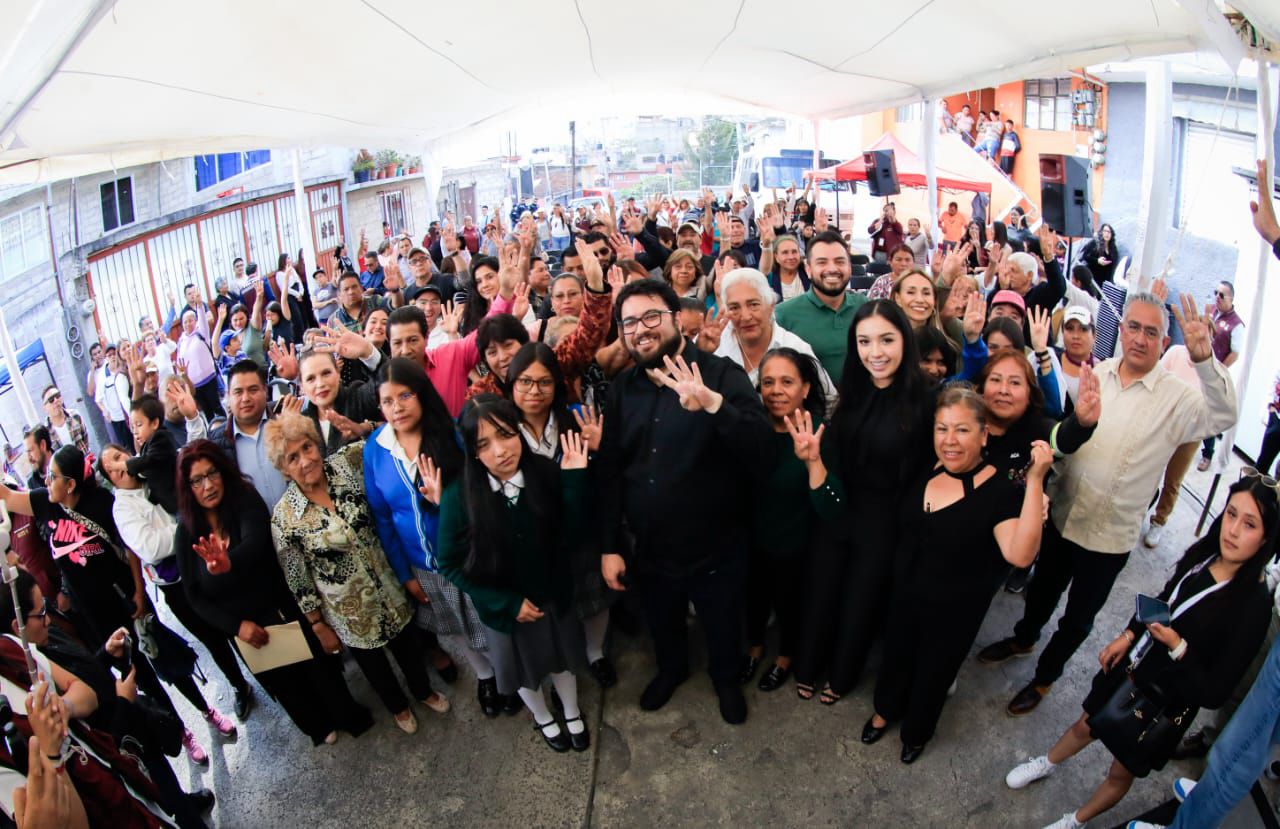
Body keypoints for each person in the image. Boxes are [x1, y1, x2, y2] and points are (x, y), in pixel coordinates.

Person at [977, 289, 1239, 716]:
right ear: (1120, 329)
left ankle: (1044, 678)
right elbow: (1070, 434)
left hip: (1109, 537)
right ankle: (1023, 639)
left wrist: (1206, 361)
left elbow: (1225, 415)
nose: (1139, 338)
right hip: (1065, 516)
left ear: (1163, 341)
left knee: (1078, 618)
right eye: (1133, 327)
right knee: (1040, 593)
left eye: (1151, 332)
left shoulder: (1179, 399)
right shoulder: (1097, 372)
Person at [1005, 473, 1275, 829]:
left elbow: (1214, 693)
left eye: (1250, 524)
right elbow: (1165, 599)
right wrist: (1129, 634)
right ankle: (1047, 763)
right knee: (1086, 723)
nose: (1233, 530)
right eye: (1231, 514)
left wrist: (1177, 646)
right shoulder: (1206, 554)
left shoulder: (1254, 605)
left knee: (1121, 770)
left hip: (1169, 701)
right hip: (1138, 663)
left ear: (1267, 537)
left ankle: (1075, 821)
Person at [596, 278, 772, 724]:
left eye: (651, 316)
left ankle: (725, 679)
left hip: (718, 544)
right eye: (629, 322)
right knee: (662, 620)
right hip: (650, 546)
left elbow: (760, 448)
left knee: (722, 622)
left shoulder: (721, 375)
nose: (640, 329)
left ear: (676, 319)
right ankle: (671, 670)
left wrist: (714, 406)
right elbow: (610, 470)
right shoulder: (622, 389)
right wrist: (609, 545)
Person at [862, 388, 1052, 763]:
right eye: (942, 428)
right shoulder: (925, 465)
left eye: (962, 430)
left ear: (984, 435)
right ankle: (885, 710)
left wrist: (1035, 482)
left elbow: (1020, 554)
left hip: (954, 610)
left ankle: (916, 733)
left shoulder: (1002, 490)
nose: (949, 440)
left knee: (934, 672)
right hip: (905, 594)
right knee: (896, 654)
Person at [174, 439, 373, 745]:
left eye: (212, 473)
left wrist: (228, 562)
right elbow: (194, 597)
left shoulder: (244, 498)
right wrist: (236, 627)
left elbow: (257, 545)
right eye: (197, 480)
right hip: (246, 630)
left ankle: (347, 716)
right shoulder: (185, 532)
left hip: (281, 608)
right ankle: (318, 728)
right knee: (285, 685)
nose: (208, 485)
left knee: (320, 671)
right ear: (187, 488)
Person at [265, 413, 449, 734]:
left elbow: (385, 438)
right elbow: (298, 579)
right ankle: (399, 708)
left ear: (317, 444)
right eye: (293, 458)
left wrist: (364, 427)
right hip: (350, 613)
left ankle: (423, 691)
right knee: (375, 667)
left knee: (409, 648)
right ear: (283, 469)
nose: (305, 460)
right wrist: (317, 624)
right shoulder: (284, 518)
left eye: (307, 447)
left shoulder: (348, 463)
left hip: (391, 588)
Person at [792, 300, 934, 705]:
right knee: (823, 590)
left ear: (904, 341)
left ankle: (843, 674)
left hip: (886, 519)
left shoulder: (925, 399)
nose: (876, 352)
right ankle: (809, 665)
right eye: (865, 341)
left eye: (886, 340)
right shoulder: (852, 390)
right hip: (839, 507)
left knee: (861, 600)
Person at [435, 397, 593, 752]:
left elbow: (574, 537)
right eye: (483, 444)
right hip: (504, 610)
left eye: (506, 434)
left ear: (519, 430)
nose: (500, 451)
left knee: (562, 661)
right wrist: (505, 603)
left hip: (552, 594)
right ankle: (543, 717)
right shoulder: (460, 496)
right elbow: (449, 563)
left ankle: (571, 710)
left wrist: (575, 480)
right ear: (473, 452)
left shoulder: (546, 472)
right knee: (523, 670)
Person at [363, 359, 504, 716]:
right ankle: (485, 676)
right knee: (454, 628)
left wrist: (446, 502)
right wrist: (405, 575)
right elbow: (383, 518)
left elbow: (481, 494)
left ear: (421, 394)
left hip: (467, 557)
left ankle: (507, 675)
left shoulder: (452, 434)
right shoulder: (375, 449)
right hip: (423, 566)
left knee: (487, 624)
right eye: (387, 401)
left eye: (405, 396)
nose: (397, 408)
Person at [98, 443, 252, 721]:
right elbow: (151, 548)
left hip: (209, 565)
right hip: (177, 586)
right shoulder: (122, 509)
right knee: (213, 639)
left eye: (118, 457)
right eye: (109, 469)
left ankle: (262, 670)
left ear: (130, 455)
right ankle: (239, 685)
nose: (117, 467)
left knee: (238, 622)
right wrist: (190, 525)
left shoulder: (155, 472)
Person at [743, 348, 830, 692]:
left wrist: (812, 462)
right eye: (768, 382)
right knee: (754, 597)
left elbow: (833, 504)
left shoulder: (820, 433)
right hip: (753, 539)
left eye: (787, 382)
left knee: (789, 603)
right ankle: (754, 647)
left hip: (797, 544)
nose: (776, 390)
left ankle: (784, 657)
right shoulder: (752, 428)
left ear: (805, 388)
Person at [705, 268, 836, 407]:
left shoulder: (795, 348)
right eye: (734, 308)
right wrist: (703, 354)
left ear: (771, 306)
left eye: (754, 305)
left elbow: (830, 401)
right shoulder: (712, 344)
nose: (746, 316)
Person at [774, 230, 869, 381]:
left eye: (840, 261)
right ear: (808, 269)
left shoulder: (866, 307)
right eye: (822, 262)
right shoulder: (783, 315)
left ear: (850, 267)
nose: (832, 269)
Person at [1197, 280, 1244, 472]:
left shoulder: (1236, 325)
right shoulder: (1213, 313)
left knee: (1208, 412)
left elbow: (1235, 353)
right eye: (1216, 292)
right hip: (1200, 365)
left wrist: (1220, 369)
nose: (1217, 297)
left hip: (1213, 372)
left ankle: (1207, 454)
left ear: (1231, 299)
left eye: (1222, 295)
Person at [40, 385, 90, 454]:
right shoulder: (45, 432)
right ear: (45, 407)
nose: (56, 400)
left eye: (57, 396)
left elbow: (85, 438)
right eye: (51, 400)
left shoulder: (75, 416)